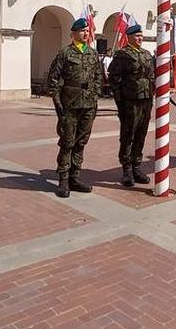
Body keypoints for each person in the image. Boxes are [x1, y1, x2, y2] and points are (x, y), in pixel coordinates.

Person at [46, 17, 103, 198]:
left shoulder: (92, 54)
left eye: (87, 31)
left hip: (88, 105)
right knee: (67, 143)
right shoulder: (65, 53)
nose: (85, 34)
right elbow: (53, 80)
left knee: (81, 142)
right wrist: (58, 104)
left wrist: (95, 95)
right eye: (82, 31)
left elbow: (98, 77)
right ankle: (63, 179)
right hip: (70, 106)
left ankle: (75, 177)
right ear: (73, 34)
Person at [108, 23, 155, 187]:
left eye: (141, 36)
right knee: (128, 135)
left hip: (146, 101)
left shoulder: (147, 54)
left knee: (141, 134)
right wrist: (120, 102)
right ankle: (126, 169)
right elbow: (114, 80)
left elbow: (153, 75)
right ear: (128, 37)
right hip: (130, 102)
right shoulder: (122, 55)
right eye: (137, 36)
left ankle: (137, 167)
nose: (140, 38)